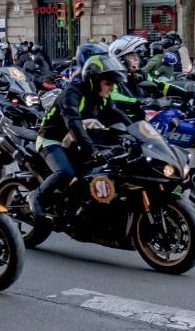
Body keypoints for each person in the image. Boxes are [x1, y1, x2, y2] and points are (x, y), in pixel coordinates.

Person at [29, 54, 132, 216]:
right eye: (108, 83)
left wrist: (136, 134)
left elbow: (117, 114)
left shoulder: (100, 95)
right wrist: (93, 151)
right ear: (94, 79)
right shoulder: (72, 94)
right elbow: (74, 124)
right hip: (52, 139)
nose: (111, 87)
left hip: (74, 140)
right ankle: (36, 195)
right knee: (65, 173)